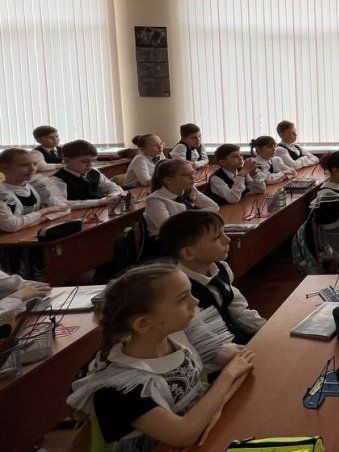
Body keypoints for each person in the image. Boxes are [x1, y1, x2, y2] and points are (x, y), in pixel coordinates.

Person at [66, 263, 255, 451]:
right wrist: (227, 376)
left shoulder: (173, 335)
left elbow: (241, 364)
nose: (195, 301)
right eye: (182, 299)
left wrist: (216, 408)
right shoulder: (120, 388)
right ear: (143, 324)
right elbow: (184, 434)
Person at [159, 211, 265, 345]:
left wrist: (266, 329)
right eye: (216, 237)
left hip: (237, 339)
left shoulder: (221, 267)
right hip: (216, 349)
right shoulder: (179, 290)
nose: (227, 240)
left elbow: (238, 310)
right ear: (188, 253)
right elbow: (203, 339)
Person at [144, 159, 218, 238]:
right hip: (167, 241)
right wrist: (194, 217)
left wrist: (189, 217)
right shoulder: (155, 200)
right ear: (168, 180)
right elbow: (168, 229)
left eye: (192, 173)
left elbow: (214, 207)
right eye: (186, 175)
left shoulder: (189, 190)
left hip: (189, 234)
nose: (192, 177)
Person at [0, 149, 68, 233]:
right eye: (24, 165)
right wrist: (45, 211)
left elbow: (64, 208)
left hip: (30, 233)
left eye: (35, 164)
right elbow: (11, 225)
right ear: (4, 168)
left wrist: (44, 218)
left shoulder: (35, 185)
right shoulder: (2, 194)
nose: (32, 169)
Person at [44, 140, 124, 208]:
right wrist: (98, 202)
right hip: (75, 216)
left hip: (98, 211)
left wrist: (113, 195)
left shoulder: (94, 172)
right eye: (84, 161)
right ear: (66, 161)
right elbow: (60, 203)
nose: (90, 165)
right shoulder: (57, 180)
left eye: (93, 161)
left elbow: (111, 186)